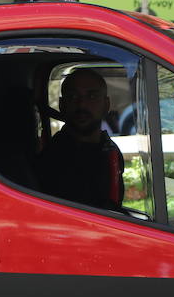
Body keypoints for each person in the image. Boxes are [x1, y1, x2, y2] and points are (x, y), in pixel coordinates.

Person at [35, 68, 125, 211]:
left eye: (92, 96)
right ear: (62, 105)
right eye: (73, 97)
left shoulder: (108, 149)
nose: (82, 105)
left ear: (106, 105)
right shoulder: (53, 159)